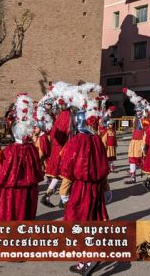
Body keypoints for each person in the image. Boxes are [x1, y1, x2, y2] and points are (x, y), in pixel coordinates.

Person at [59, 92, 110, 275]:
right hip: (96, 187)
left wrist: (63, 191)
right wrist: (105, 188)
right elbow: (104, 167)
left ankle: (85, 260)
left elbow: (68, 168)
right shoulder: (97, 140)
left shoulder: (76, 141)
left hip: (81, 189)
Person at [0, 94, 44, 221]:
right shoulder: (32, 149)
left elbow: (0, 172)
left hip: (11, 192)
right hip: (28, 191)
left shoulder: (10, 150)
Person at [41, 82, 72, 208]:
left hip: (57, 147)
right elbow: (66, 134)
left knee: (57, 174)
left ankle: (47, 195)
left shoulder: (61, 115)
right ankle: (64, 200)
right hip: (63, 148)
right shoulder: (67, 116)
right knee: (67, 174)